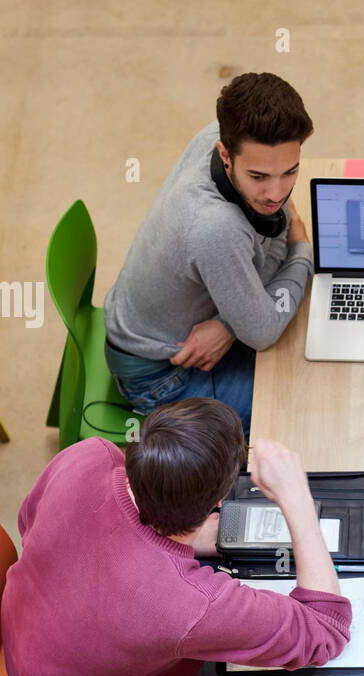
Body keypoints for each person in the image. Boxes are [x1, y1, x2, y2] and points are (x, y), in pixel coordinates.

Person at [0, 398, 350, 676]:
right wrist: (297, 502)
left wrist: (173, 539)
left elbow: (28, 524)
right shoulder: (189, 603)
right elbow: (326, 630)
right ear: (218, 501)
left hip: (30, 654)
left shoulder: (88, 455)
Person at [102, 72, 316, 435]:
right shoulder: (217, 228)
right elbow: (262, 330)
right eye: (259, 176)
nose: (276, 192)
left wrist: (228, 324)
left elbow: (274, 227)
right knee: (301, 412)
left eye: (290, 171)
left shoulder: (218, 132)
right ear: (225, 154)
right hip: (163, 375)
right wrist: (302, 253)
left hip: (151, 325)